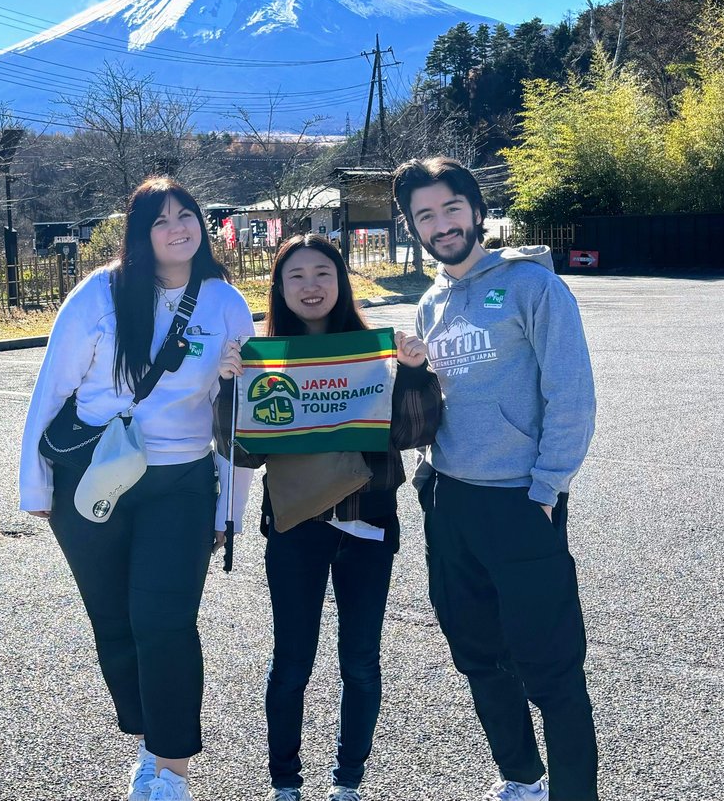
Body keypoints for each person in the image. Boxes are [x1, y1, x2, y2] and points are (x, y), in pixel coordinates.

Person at [19, 177, 256, 801]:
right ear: (139, 232)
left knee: (165, 621)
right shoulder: (99, 294)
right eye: (161, 220)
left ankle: (169, 767)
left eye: (188, 216)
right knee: (115, 622)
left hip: (181, 484)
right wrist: (34, 485)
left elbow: (236, 414)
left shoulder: (226, 302)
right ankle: (150, 741)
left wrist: (231, 505)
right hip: (92, 478)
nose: (178, 228)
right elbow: (51, 391)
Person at [391, 157, 599, 801]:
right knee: (477, 652)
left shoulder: (532, 287)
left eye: (450, 208)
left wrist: (547, 487)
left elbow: (572, 394)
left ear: (476, 210)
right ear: (413, 227)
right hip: (450, 501)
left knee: (551, 666)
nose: (440, 224)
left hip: (519, 500)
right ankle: (521, 778)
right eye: (424, 214)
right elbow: (439, 403)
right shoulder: (430, 303)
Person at [221, 235, 441, 801]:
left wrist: (415, 373)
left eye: (323, 272)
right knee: (291, 665)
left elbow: (411, 435)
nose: (311, 285)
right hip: (297, 531)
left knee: (362, 664)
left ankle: (348, 782)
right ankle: (285, 783)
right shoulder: (264, 359)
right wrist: (229, 387)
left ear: (341, 282)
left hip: (369, 527)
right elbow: (241, 452)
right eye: (296, 276)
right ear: (280, 288)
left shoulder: (372, 354)